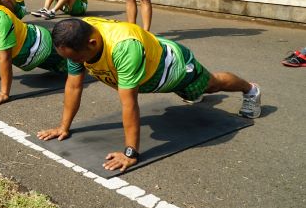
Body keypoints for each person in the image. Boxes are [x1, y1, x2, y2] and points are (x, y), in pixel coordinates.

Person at [36, 17, 261, 172]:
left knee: (211, 84)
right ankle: (196, 94)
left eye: (76, 58)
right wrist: (63, 127)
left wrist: (130, 153)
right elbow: (74, 86)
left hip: (171, 69)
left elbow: (129, 104)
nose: (76, 63)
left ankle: (250, 90)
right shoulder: (77, 37)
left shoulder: (124, 48)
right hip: (143, 75)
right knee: (192, 96)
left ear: (92, 43)